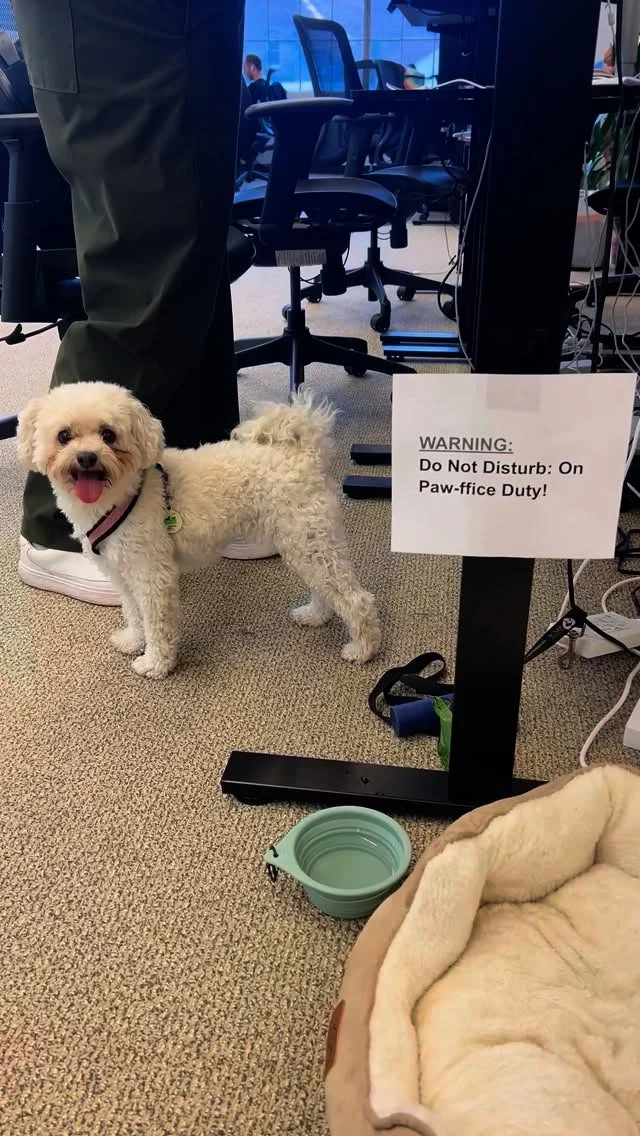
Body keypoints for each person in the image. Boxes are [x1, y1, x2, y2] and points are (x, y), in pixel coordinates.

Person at [13, 0, 274, 608]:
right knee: (145, 248)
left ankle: (193, 492)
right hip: (120, 24)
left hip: (194, 21)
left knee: (195, 253)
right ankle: (56, 531)